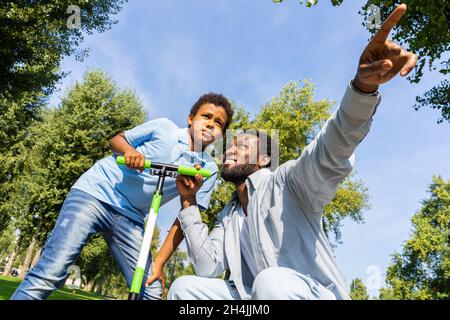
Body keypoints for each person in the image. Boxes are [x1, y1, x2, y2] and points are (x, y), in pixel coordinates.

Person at [167, 4, 417, 300]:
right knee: (185, 288)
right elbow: (208, 266)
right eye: (230, 145)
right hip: (255, 300)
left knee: (270, 282)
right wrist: (187, 201)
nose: (229, 149)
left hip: (310, 295)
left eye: (241, 145)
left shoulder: (288, 183)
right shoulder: (230, 214)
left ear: (263, 160)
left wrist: (362, 89)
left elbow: (331, 149)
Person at [11, 93, 233, 300]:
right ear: (190, 118)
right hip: (96, 194)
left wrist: (159, 262)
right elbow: (116, 140)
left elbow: (185, 218)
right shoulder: (163, 128)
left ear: (221, 134)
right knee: (52, 271)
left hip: (131, 217)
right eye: (206, 116)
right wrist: (130, 152)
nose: (211, 123)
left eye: (219, 123)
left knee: (151, 289)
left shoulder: (207, 169)